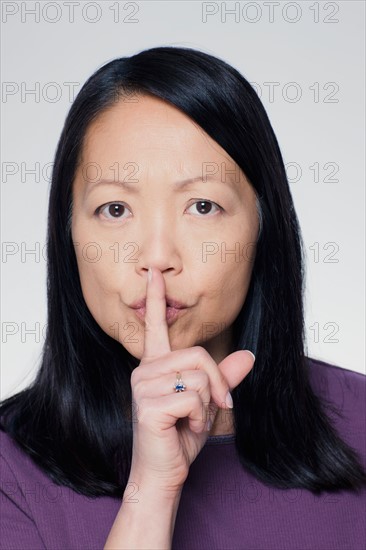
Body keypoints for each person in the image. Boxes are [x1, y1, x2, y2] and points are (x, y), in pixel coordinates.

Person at [0, 46, 365, 550]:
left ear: (264, 227)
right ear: (67, 233)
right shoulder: (9, 468)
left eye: (202, 205)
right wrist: (151, 493)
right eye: (114, 209)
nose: (155, 257)